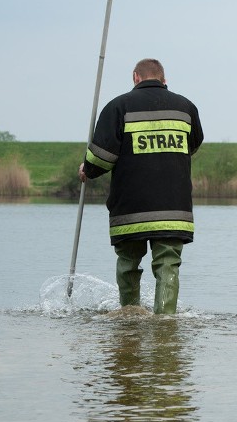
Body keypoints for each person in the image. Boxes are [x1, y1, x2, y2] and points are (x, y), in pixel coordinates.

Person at [79, 58, 204, 314]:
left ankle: (129, 315)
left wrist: (87, 170)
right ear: (164, 79)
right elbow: (193, 145)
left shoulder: (118, 107)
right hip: (174, 207)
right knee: (168, 263)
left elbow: (102, 155)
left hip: (130, 207)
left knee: (128, 262)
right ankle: (166, 321)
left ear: (136, 77)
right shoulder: (186, 108)